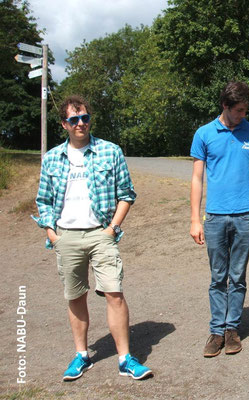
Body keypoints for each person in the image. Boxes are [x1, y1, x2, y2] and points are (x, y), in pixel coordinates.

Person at [33, 95, 152, 381]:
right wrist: (52, 233)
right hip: (67, 236)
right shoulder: (51, 158)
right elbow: (44, 200)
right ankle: (82, 355)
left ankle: (125, 359)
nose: (81, 124)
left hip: (101, 233)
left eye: (84, 117)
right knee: (76, 296)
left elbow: (127, 193)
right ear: (64, 124)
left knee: (114, 293)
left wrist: (112, 228)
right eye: (74, 119)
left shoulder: (110, 151)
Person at [190, 81, 249, 358]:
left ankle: (232, 329)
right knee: (217, 277)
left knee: (238, 276)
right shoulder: (204, 134)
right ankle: (216, 331)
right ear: (225, 106)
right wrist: (195, 219)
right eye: (239, 110)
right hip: (215, 218)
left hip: (246, 216)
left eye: (246, 110)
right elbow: (197, 179)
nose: (243, 115)